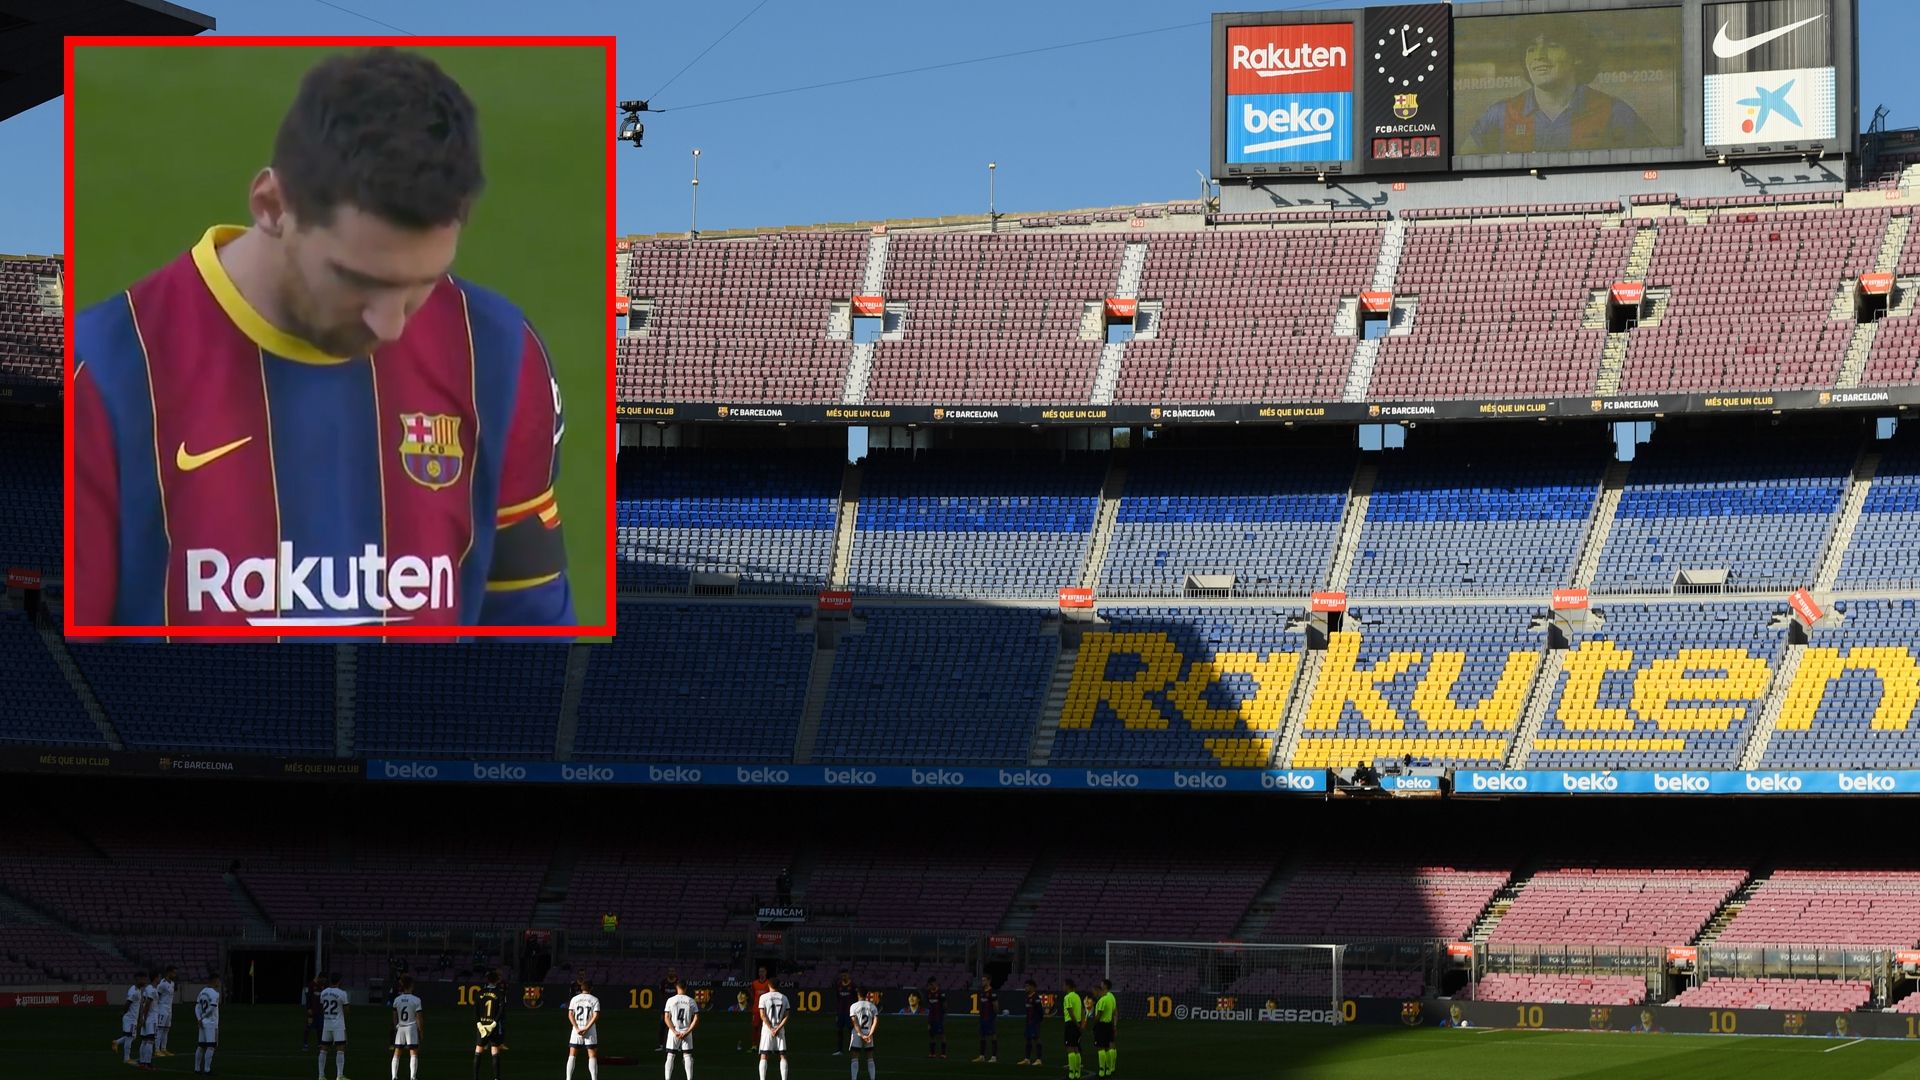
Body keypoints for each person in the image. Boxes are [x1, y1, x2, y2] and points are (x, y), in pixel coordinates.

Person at [71, 47, 575, 634]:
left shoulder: (500, 352)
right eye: (357, 279)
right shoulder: (106, 369)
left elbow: (528, 627)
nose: (391, 324)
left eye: (424, 282)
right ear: (272, 206)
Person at [1464, 17, 1656, 153]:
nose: (1539, 56)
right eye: (1531, 49)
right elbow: (1462, 167)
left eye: (1552, 46)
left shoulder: (1615, 112)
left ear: (1578, 56)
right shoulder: (1500, 114)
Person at [472, 969, 508, 1080]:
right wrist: (493, 1024)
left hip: (482, 1026)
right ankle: (496, 1078)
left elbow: (476, 1010)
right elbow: (501, 1011)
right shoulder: (500, 993)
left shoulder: (479, 993)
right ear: (497, 980)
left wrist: (479, 1024)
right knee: (494, 1050)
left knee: (478, 1050)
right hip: (493, 1026)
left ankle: (475, 1077)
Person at [662, 978, 699, 1080]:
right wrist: (687, 1032)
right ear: (686, 988)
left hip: (674, 1031)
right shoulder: (691, 1001)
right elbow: (696, 1018)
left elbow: (666, 1018)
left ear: (676, 987)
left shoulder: (670, 1000)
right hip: (686, 1030)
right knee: (687, 1056)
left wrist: (674, 1031)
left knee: (670, 1056)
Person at [567, 975, 602, 1080]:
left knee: (572, 1054)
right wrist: (586, 1028)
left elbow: (570, 1014)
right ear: (591, 988)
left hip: (576, 1029)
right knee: (592, 1054)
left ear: (581, 988)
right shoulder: (595, 999)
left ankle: (568, 1078)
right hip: (589, 1029)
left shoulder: (574, 999)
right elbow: (596, 1015)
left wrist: (577, 1028)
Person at [757, 976, 792, 1080]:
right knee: (782, 1055)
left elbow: (762, 1015)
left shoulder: (763, 997)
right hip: (779, 1029)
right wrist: (777, 1028)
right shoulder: (784, 997)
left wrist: (771, 1028)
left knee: (764, 1055)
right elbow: (787, 1015)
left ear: (768, 985)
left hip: (767, 1030)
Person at [391, 973, 424, 1080]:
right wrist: (421, 1030)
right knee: (413, 1052)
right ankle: (413, 1077)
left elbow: (394, 1016)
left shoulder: (397, 1000)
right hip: (411, 1027)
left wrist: (397, 1026)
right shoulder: (416, 1000)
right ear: (411, 985)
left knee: (397, 1053)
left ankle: (394, 1077)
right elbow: (419, 1018)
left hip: (401, 1027)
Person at [318, 972, 350, 1080]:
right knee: (340, 1049)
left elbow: (322, 1008)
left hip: (327, 1024)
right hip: (338, 1025)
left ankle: (321, 1075)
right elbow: (346, 1010)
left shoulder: (323, 992)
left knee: (323, 1049)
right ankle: (339, 1075)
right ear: (340, 981)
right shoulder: (342, 993)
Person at [113, 972, 146, 1065]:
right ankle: (126, 1058)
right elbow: (128, 1002)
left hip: (133, 1018)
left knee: (132, 1036)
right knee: (130, 1037)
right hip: (130, 1018)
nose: (144, 981)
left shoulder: (138, 990)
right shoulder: (134, 991)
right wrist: (123, 1012)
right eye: (142, 979)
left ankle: (116, 1042)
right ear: (136, 979)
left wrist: (140, 1017)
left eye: (145, 979)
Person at [193, 974, 222, 1076]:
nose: (219, 983)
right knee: (210, 1046)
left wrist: (199, 1019)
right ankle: (207, 1069)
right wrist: (204, 1016)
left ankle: (196, 1069)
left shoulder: (202, 992)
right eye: (218, 981)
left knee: (201, 1046)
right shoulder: (215, 993)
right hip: (210, 1022)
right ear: (214, 980)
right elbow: (212, 1008)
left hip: (202, 1022)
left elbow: (196, 1007)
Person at [848, 992, 880, 1080]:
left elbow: (855, 1023)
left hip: (857, 1033)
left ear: (858, 994)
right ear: (866, 994)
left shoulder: (853, 1006)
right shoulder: (872, 1006)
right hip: (868, 1033)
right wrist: (870, 1034)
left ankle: (854, 1078)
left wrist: (861, 1035)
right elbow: (875, 1022)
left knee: (854, 1057)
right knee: (870, 1057)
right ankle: (872, 1078)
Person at [741, 966, 772, 1053]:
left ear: (766, 973)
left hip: (766, 1010)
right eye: (760, 972)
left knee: (766, 1028)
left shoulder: (769, 983)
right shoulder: (754, 983)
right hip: (756, 1010)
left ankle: (766, 1046)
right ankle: (754, 1046)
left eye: (763, 971)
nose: (761, 973)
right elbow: (753, 995)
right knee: (755, 1027)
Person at [1092, 979, 1118, 1079]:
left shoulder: (1103, 1000)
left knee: (1101, 1048)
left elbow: (1098, 1015)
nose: (1100, 985)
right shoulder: (1111, 997)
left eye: (1101, 984)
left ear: (1105, 986)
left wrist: (1094, 1024)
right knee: (1109, 1046)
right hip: (1109, 1024)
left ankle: (1102, 1070)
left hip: (1102, 1025)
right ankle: (1110, 1068)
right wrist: (1114, 1026)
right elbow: (1115, 1012)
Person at [1061, 979, 1086, 1080]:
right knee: (1076, 1048)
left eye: (1064, 985)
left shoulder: (1068, 997)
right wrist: (1081, 1025)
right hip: (1078, 1023)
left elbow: (1071, 1013)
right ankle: (1077, 1072)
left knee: (1070, 1048)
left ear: (1068, 986)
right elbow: (1082, 1011)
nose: (1063, 987)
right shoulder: (1077, 996)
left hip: (1071, 1024)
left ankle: (1071, 1073)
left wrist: (1077, 1025)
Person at [972, 975, 998, 1064]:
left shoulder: (992, 992)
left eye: (984, 980)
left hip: (990, 1017)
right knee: (982, 1035)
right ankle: (982, 1056)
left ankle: (994, 1057)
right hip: (983, 1017)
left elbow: (996, 1006)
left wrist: (993, 1015)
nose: (982, 982)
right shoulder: (982, 992)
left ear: (989, 981)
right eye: (982, 980)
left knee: (993, 1035)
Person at [832, 970, 859, 1055]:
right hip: (841, 1012)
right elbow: (837, 999)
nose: (844, 977)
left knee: (851, 1031)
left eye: (845, 975)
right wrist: (837, 1013)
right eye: (842, 975)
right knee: (839, 1031)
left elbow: (856, 999)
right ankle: (839, 1050)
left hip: (850, 1012)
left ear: (848, 975)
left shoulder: (853, 985)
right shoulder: (838, 985)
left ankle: (853, 1048)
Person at [1018, 978, 1044, 1067]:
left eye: (1027, 986)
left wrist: (1037, 1021)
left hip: (1034, 1022)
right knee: (1028, 1039)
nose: (1025, 988)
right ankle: (1027, 1059)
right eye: (1025, 986)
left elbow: (1040, 1011)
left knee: (1036, 1039)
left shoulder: (1036, 998)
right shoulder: (1027, 998)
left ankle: (1039, 1059)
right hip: (1028, 1022)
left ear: (1032, 987)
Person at [155, 967, 178, 1058]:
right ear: (169, 973)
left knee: (166, 1029)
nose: (175, 975)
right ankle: (157, 1049)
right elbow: (157, 996)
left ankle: (164, 1049)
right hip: (162, 1008)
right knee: (160, 1029)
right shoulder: (162, 984)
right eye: (174, 973)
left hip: (169, 1009)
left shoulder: (172, 983)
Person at [656, 967, 679, 1051]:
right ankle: (661, 1045)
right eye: (670, 971)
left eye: (672, 971)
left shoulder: (678, 982)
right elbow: (662, 994)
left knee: (675, 1027)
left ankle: (676, 1046)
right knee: (662, 1026)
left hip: (676, 1008)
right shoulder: (663, 982)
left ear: (675, 972)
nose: (671, 972)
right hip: (665, 1008)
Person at [925, 977, 946, 1059]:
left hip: (939, 1017)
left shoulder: (941, 993)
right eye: (930, 985)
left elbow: (945, 1005)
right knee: (931, 1034)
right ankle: (932, 1053)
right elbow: (929, 1005)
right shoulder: (928, 993)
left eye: (932, 984)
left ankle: (943, 1054)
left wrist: (942, 1015)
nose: (931, 986)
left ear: (935, 983)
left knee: (942, 1035)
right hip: (931, 1017)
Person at [304, 977, 325, 1051]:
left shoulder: (322, 985)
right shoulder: (311, 985)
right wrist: (309, 1008)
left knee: (320, 1027)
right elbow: (308, 997)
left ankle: (319, 1044)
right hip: (312, 1011)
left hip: (320, 1011)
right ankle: (305, 1044)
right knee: (308, 1027)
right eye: (323, 979)